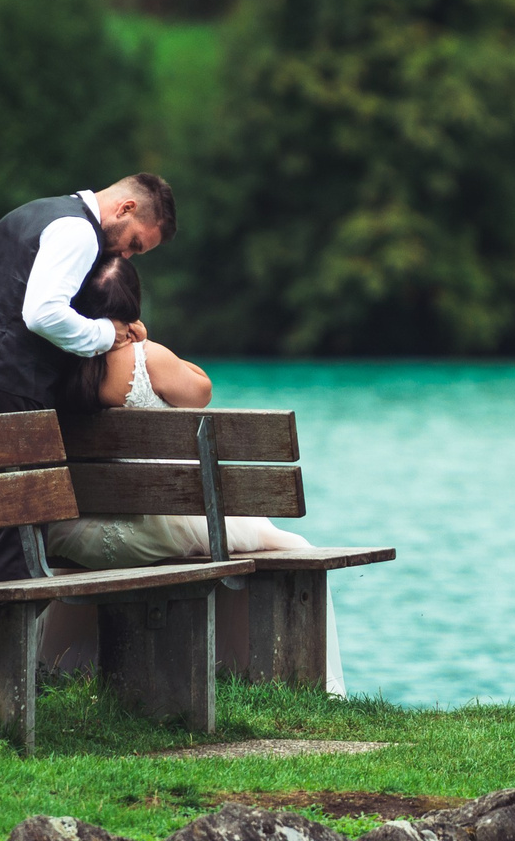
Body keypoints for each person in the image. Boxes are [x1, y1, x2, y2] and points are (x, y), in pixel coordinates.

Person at [36, 253, 333, 683]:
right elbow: (202, 389)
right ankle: (247, 670)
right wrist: (146, 340)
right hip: (150, 534)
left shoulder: (55, 362)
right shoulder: (146, 357)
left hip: (72, 538)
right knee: (289, 544)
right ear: (132, 311)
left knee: (235, 542)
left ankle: (65, 668)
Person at [0, 174, 176, 589]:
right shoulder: (79, 231)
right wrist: (106, 335)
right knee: (18, 542)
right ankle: (11, 655)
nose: (126, 256)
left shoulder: (25, 215)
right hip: (10, 392)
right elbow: (42, 314)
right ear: (126, 208)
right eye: (135, 244)